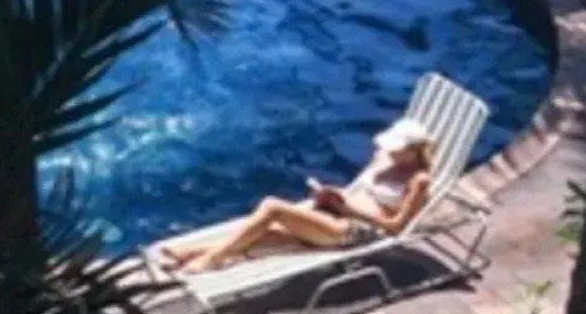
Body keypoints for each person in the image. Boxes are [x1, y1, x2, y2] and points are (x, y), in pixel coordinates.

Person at [161, 117, 438, 274]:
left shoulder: (419, 180)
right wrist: (330, 196)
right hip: (336, 214)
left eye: (399, 150)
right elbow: (358, 190)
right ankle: (194, 253)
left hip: (353, 230)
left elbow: (397, 226)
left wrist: (350, 211)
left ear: (416, 150)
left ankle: (212, 259)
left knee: (272, 208)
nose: (391, 152)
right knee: (265, 234)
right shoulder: (383, 157)